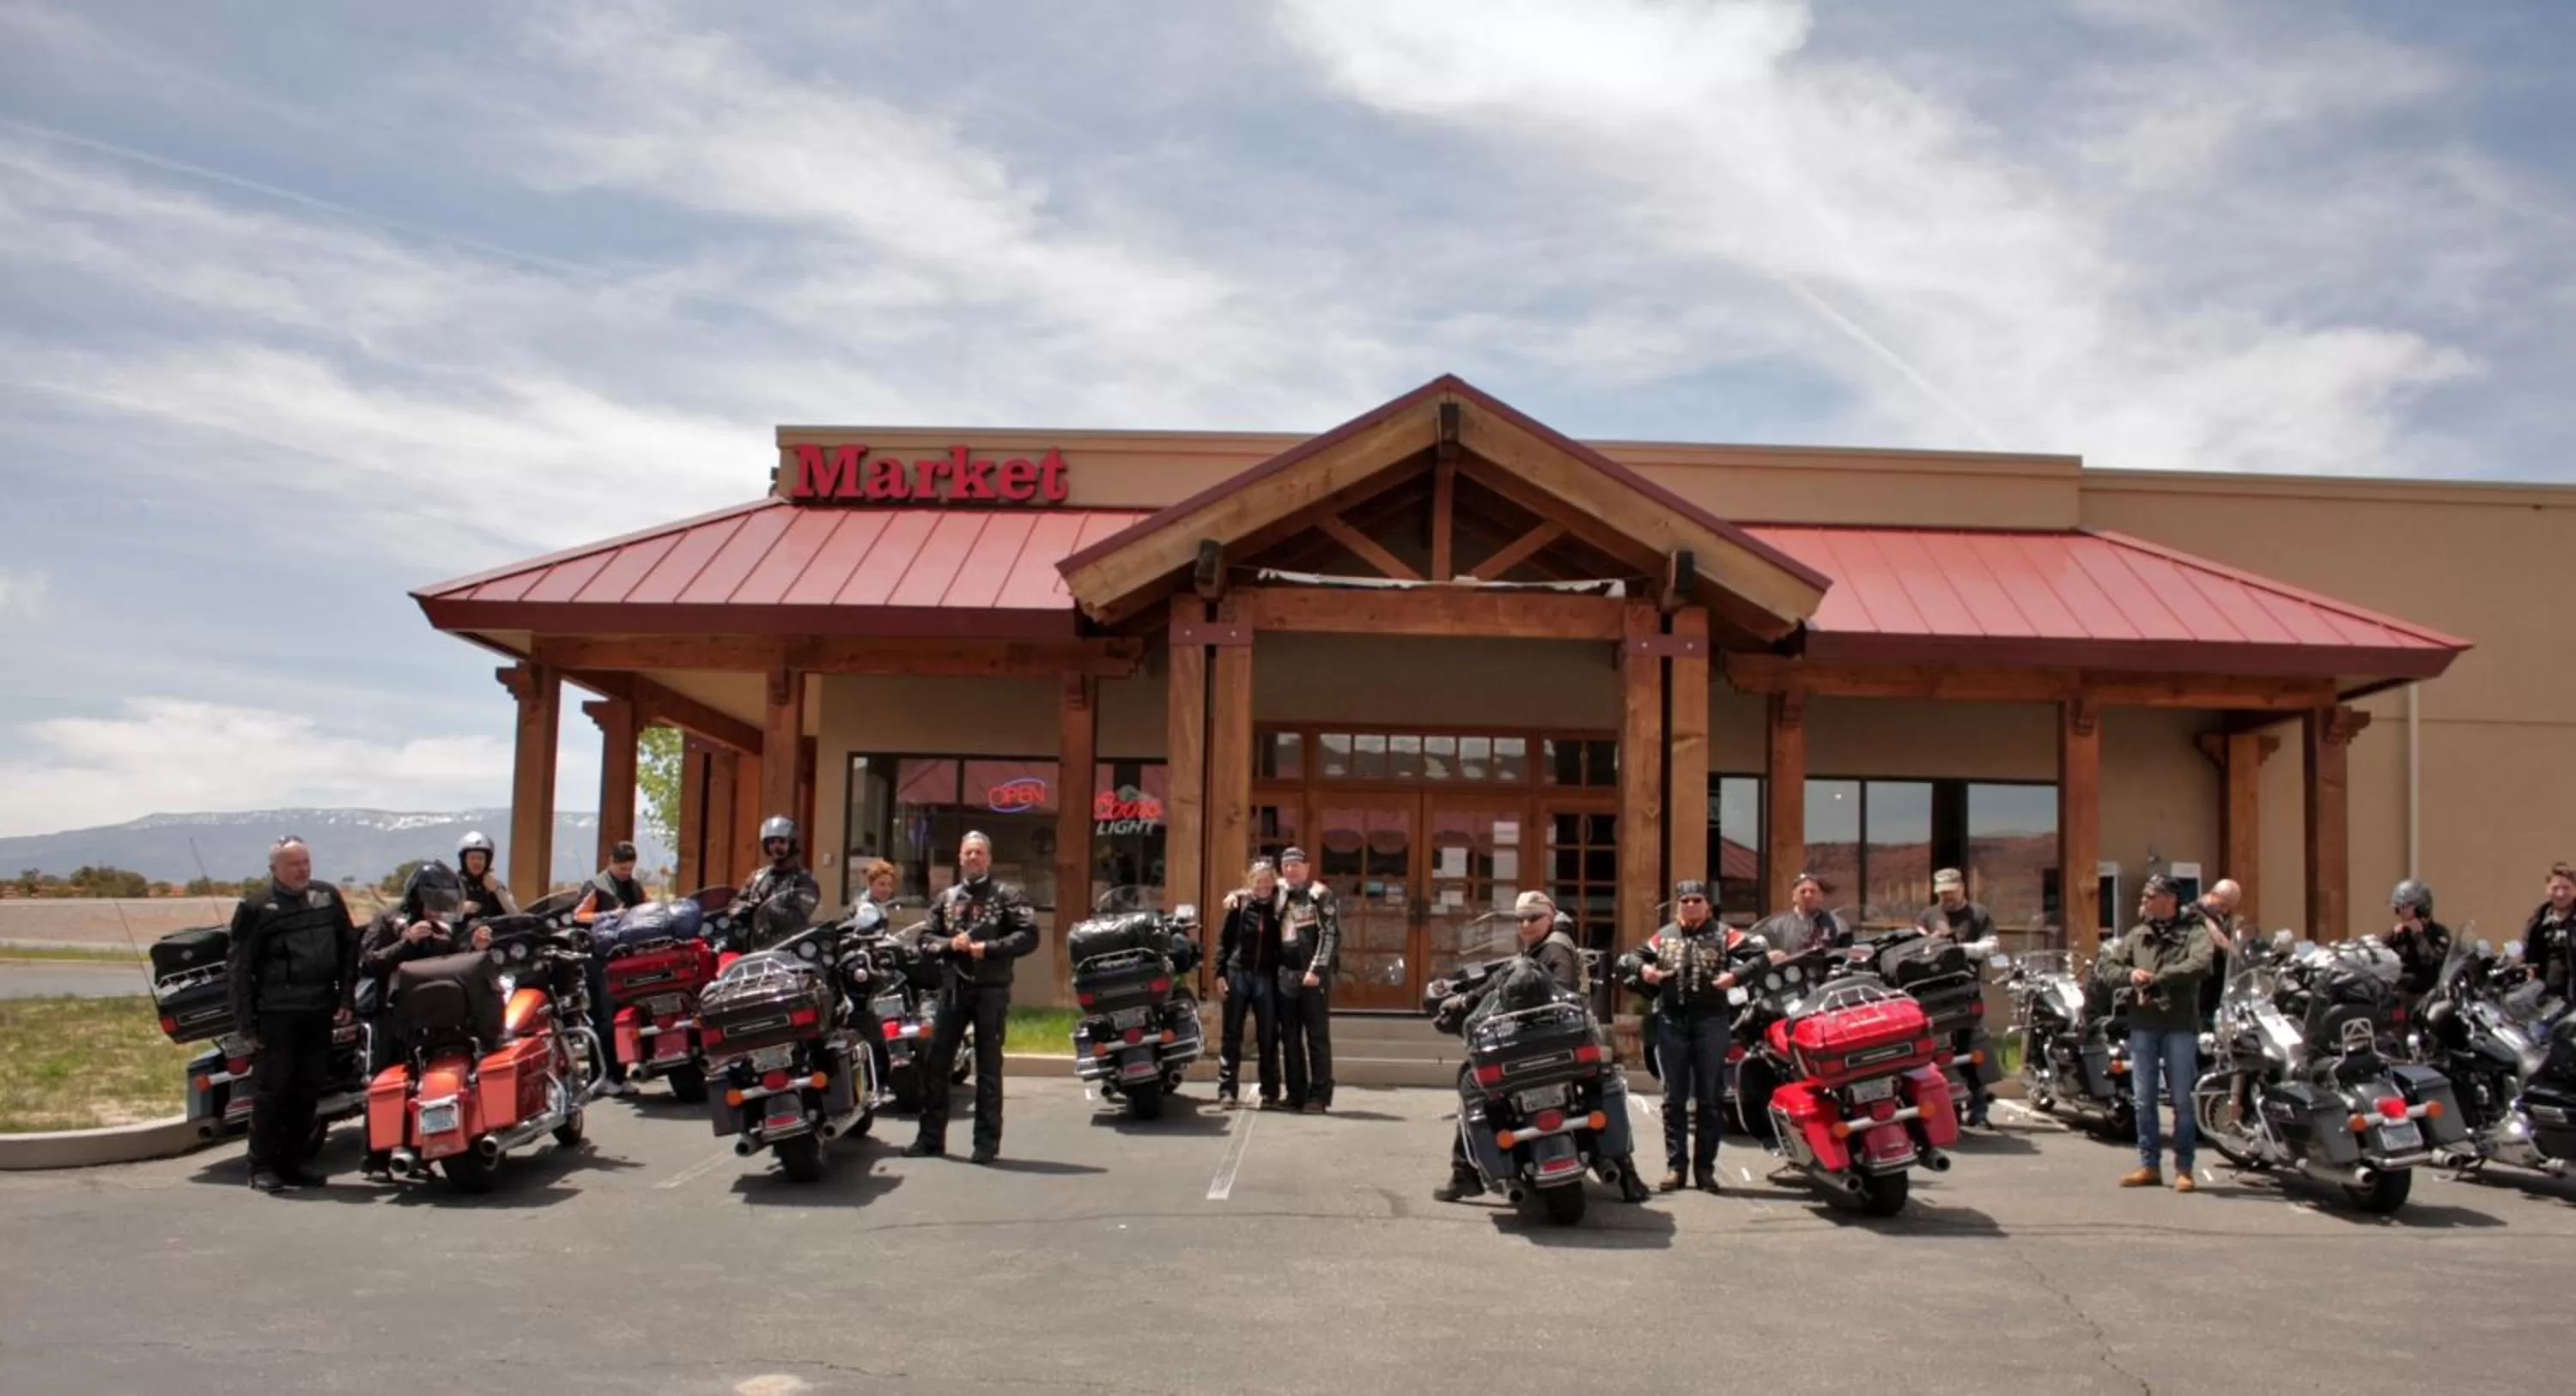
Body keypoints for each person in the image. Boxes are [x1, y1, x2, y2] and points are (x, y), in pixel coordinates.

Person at [1435, 891, 1651, 1204]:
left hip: (1549, 1041)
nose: (1526, 924)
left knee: (1472, 1082)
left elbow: (1557, 991)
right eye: (1521, 919)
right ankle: (1627, 1175)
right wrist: (1469, 998)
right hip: (1563, 1041)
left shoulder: (1555, 949)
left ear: (1549, 917)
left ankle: (1465, 1174)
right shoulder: (1536, 950)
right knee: (1597, 1087)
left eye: (1533, 918)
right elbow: (1501, 979)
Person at [228, 836, 359, 1193]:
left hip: (319, 1011)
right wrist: (246, 1025)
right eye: (293, 864)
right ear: (274, 869)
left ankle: (293, 1164)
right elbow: (239, 970)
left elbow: (349, 948)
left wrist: (346, 997)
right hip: (277, 1015)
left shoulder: (327, 897)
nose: (302, 870)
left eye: (305, 862)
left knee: (307, 1090)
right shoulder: (256, 908)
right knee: (273, 1092)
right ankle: (261, 1167)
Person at [907, 832, 1039, 1163]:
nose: (973, 858)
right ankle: (930, 1139)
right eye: (968, 852)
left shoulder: (1007, 895)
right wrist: (949, 945)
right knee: (936, 1063)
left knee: (988, 1069)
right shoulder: (946, 897)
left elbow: (1029, 935)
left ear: (989, 858)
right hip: (952, 989)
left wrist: (989, 949)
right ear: (960, 857)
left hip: (990, 990)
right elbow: (925, 938)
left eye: (979, 852)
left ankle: (985, 1144)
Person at [1626, 880, 1744, 1193]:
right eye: (1685, 901)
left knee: (1710, 1097)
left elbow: (1760, 957)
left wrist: (1736, 975)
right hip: (1672, 1020)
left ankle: (1705, 1170)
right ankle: (1675, 1168)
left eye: (1696, 900)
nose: (1691, 905)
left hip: (1712, 1021)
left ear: (1707, 905)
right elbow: (1631, 957)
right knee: (1673, 1098)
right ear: (1678, 905)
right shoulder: (1663, 935)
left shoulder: (1725, 934)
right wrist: (1645, 971)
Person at [354, 861, 467, 1178]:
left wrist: (474, 945)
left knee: (427, 1085)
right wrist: (407, 942)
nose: (437, 909)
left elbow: (458, 960)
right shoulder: (389, 920)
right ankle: (376, 1158)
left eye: (444, 903)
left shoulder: (443, 927)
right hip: (392, 1015)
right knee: (386, 1083)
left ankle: (419, 1153)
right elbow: (369, 962)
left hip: (433, 1014)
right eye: (433, 902)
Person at [2102, 873, 2214, 1193]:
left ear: (2170, 899)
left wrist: (2158, 979)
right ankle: (2149, 1165)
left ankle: (2184, 1169)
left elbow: (2201, 965)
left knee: (2181, 1100)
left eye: (2149, 896)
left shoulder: (2194, 932)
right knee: (2143, 1099)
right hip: (2143, 1025)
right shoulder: (2138, 934)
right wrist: (2131, 975)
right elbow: (2107, 968)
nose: (2143, 902)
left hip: (2180, 1025)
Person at [1916, 867, 1999, 1128]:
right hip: (1934, 993)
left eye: (1951, 892)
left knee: (1970, 1047)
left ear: (1962, 888)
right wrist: (1929, 942)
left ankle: (1979, 1105)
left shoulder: (1978, 914)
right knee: (1936, 1050)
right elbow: (1916, 945)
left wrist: (1959, 950)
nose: (1947, 897)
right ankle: (1947, 1107)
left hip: (1966, 989)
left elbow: (1992, 946)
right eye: (1942, 893)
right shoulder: (1928, 915)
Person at [1214, 859, 1285, 1110]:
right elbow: (1224, 941)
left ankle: (1270, 1091)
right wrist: (1219, 974)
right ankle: (1227, 1091)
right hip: (1238, 973)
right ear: (1250, 883)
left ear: (1273, 882)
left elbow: (1293, 887)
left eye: (1267, 881)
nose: (1263, 886)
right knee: (1232, 1034)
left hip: (1266, 976)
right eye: (1258, 881)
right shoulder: (1240, 905)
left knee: (1268, 1035)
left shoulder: (1280, 905)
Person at [1275, 847, 1341, 1114]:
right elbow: (1253, 888)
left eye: (1295, 865)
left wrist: (1318, 969)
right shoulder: (1278, 890)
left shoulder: (1320, 894)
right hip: (1286, 973)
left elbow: (1330, 935)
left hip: (1312, 975)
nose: (1290, 870)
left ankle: (1319, 1096)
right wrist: (1235, 894)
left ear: (1307, 868)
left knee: (1317, 1037)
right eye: (1286, 865)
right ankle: (1295, 1093)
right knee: (1290, 1037)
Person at [728, 816, 822, 945]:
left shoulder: (803, 879)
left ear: (792, 844)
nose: (776, 846)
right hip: (755, 943)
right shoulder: (757, 877)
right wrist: (744, 909)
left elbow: (799, 916)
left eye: (781, 842)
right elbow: (736, 903)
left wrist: (767, 911)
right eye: (771, 842)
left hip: (786, 944)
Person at [1753, 873, 1851, 960]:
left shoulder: (1839, 925)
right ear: (1793, 896)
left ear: (1821, 896)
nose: (1808, 895)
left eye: (1813, 891)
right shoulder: (1774, 926)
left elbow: (1847, 955)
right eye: (1803, 891)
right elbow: (1755, 954)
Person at [2386, 879, 2452, 1003]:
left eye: (2405, 907)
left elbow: (2431, 963)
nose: (2401, 912)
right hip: (2397, 995)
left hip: (2426, 999)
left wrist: (2418, 936)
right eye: (2398, 908)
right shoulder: (2399, 933)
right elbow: (2378, 950)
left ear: (2421, 908)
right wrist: (2391, 935)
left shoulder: (2439, 934)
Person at [2522, 862, 2576, 998]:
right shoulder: (2539, 919)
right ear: (2547, 889)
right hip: (2547, 1000)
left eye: (2566, 888)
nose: (2560, 894)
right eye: (2555, 888)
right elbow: (2528, 955)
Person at [2196, 879, 2244, 1028]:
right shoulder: (2195, 913)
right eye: (2223, 905)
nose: (2224, 910)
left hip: (2217, 984)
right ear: (2213, 894)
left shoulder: (2219, 916)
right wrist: (2236, 953)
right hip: (2201, 984)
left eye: (2228, 907)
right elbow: (2219, 938)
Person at [454, 830, 519, 924]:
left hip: (494, 931)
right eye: (472, 858)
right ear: (464, 860)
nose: (476, 862)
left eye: (480, 858)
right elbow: (440, 916)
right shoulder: (454, 884)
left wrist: (498, 891)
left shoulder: (497, 885)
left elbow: (516, 916)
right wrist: (461, 909)